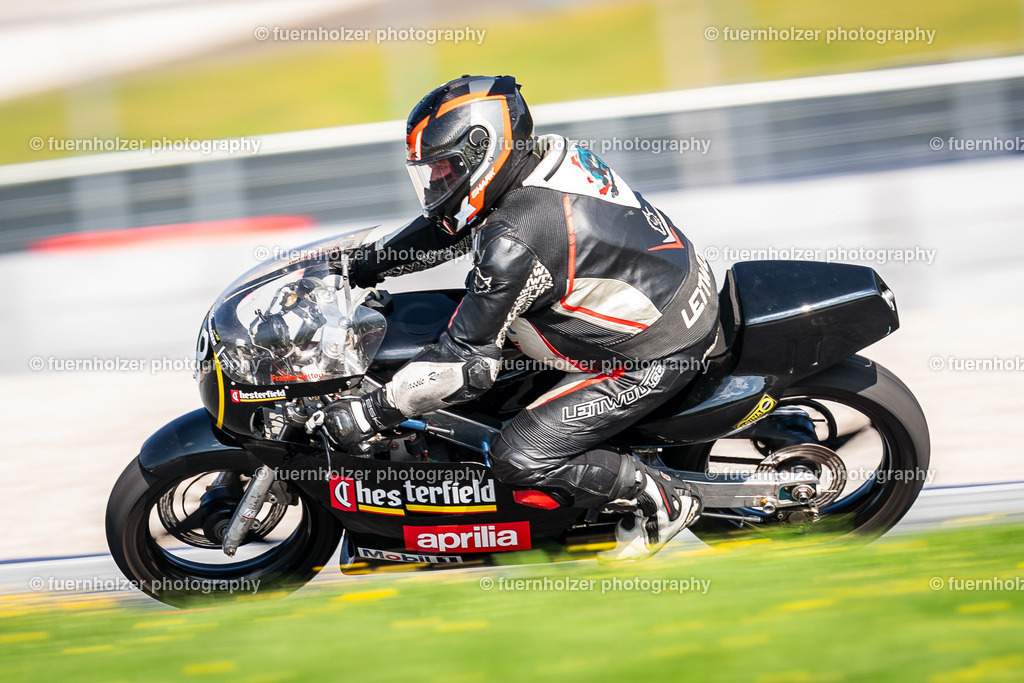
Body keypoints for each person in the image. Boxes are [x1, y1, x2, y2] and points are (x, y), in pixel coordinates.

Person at [321, 75, 719, 559]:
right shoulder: (541, 157)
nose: (437, 183)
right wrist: (362, 264)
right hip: (665, 291)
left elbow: (463, 365)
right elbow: (452, 227)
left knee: (516, 456)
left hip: (652, 351)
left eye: (445, 170)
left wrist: (371, 412)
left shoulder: (517, 238)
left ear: (484, 149)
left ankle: (661, 497)